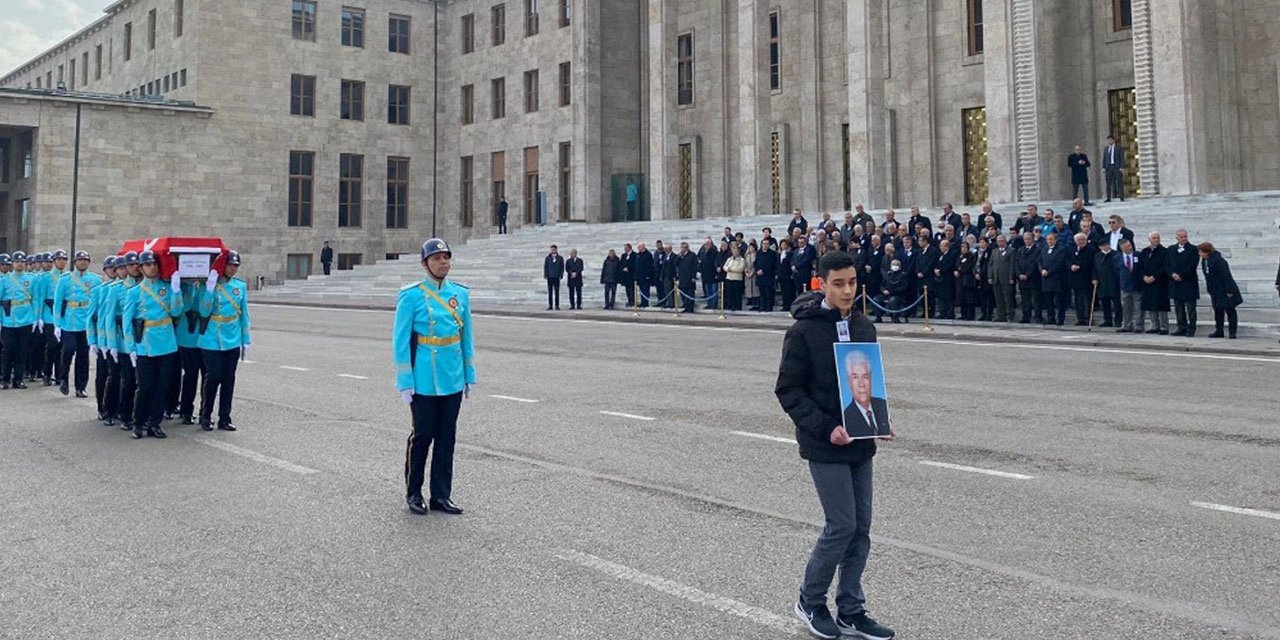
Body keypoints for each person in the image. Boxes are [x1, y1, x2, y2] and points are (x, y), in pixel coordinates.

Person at [775, 250, 895, 640]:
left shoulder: (864, 326)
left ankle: (851, 609)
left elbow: (868, 381)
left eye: (853, 283)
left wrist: (879, 421)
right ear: (822, 284)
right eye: (839, 283)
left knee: (861, 528)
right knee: (840, 525)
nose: (848, 291)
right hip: (825, 442)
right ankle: (810, 600)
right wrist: (826, 427)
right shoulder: (804, 331)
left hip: (860, 442)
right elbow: (788, 390)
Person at [393, 238, 475, 516]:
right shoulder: (412, 295)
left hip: (452, 376)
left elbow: (467, 337)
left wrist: (469, 374)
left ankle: (441, 494)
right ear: (425, 263)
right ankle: (414, 492)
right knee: (422, 436)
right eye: (437, 258)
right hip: (424, 378)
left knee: (447, 437)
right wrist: (405, 380)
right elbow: (400, 341)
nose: (443, 262)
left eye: (446, 257)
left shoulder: (460, 294)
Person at [121, 251, 183, 439]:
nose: (152, 267)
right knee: (145, 385)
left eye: (155, 264)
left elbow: (176, 311)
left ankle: (155, 423)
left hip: (166, 343)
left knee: (162, 385)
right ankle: (139, 423)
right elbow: (127, 321)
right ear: (141, 268)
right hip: (145, 344)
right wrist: (130, 346)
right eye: (148, 264)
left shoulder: (167, 287)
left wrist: (176, 290)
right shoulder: (134, 292)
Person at [195, 251, 250, 430]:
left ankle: (224, 417)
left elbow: (243, 314)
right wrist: (209, 290)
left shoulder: (239, 286)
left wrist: (245, 339)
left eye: (236, 266)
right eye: (230, 265)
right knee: (213, 377)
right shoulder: (207, 285)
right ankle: (205, 414)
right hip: (211, 338)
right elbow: (203, 311)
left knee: (229, 379)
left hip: (232, 338)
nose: (233, 269)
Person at [53, 250, 102, 398]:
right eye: (80, 260)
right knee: (68, 350)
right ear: (75, 262)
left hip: (86, 322)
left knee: (83, 356)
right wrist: (57, 324)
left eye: (85, 260)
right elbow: (57, 303)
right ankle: (63, 378)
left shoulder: (95, 279)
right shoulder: (65, 279)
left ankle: (81, 386)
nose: (83, 262)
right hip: (69, 321)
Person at [112, 252, 143, 430]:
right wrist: (107, 343)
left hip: (145, 341)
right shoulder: (116, 288)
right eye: (128, 266)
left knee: (143, 382)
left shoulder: (146, 286)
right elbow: (108, 318)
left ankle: (139, 414)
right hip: (124, 341)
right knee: (129, 380)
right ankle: (125, 415)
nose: (133, 268)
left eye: (137, 265)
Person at [170, 272, 204, 422]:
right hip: (186, 337)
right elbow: (176, 310)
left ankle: (205, 411)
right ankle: (185, 410)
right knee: (190, 375)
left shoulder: (207, 286)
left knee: (208, 377)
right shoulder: (182, 286)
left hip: (206, 337)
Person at [0, 251, 37, 389]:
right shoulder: (4, 280)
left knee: (22, 351)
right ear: (13, 264)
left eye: (22, 261)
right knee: (8, 350)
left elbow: (35, 299)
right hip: (9, 319)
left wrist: (35, 318)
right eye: (17, 261)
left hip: (26, 319)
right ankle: (5, 378)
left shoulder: (32, 279)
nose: (20, 263)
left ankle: (18, 379)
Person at [92, 256, 120, 422]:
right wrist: (94, 340)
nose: (114, 271)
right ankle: (102, 407)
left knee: (117, 375)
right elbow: (93, 318)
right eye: (111, 268)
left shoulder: (119, 288)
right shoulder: (99, 289)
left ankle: (114, 407)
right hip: (103, 337)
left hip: (117, 338)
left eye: (116, 268)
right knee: (103, 374)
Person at [1198, 242, 1241, 339]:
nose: (1199, 254)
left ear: (1207, 252)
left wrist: (1229, 290)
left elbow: (1226, 276)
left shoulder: (1219, 261)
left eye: (1201, 252)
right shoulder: (1204, 261)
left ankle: (1232, 331)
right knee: (1218, 310)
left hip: (1224, 289)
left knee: (1230, 310)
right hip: (1215, 290)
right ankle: (1219, 330)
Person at [1167, 229, 1200, 337]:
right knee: (1178, 307)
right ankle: (1181, 327)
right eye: (1181, 237)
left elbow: (1192, 265)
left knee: (1190, 308)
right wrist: (1173, 274)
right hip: (1175, 283)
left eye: (1185, 236)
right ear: (1176, 237)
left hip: (1188, 282)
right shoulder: (1171, 249)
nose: (1183, 238)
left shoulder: (1193, 249)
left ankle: (1191, 328)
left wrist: (1181, 275)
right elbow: (1166, 264)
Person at [1139, 232, 1170, 334]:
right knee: (1150, 304)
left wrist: (1154, 277)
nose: (1156, 240)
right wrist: (1144, 276)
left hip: (1160, 282)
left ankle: (1164, 326)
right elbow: (1140, 266)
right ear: (1150, 239)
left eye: (1158, 238)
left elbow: (1165, 266)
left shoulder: (1165, 251)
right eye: (1154, 238)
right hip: (1147, 282)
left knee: (1161, 305)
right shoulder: (1144, 252)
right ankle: (1154, 325)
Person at [1038, 232, 1069, 326]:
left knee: (1059, 302)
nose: (1049, 241)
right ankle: (1051, 318)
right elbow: (1039, 261)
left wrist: (1049, 271)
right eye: (1047, 239)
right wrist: (1042, 270)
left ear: (1055, 240)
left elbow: (1059, 262)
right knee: (1048, 301)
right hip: (1046, 279)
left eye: (1051, 239)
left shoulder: (1061, 249)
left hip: (1057, 279)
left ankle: (1060, 319)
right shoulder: (1044, 249)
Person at [1116, 239, 1144, 333]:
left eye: (1130, 245)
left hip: (1137, 285)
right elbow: (1116, 271)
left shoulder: (1138, 255)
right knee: (1126, 307)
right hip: (1125, 286)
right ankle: (1127, 325)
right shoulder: (1117, 258)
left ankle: (1138, 326)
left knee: (1138, 307)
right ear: (1122, 248)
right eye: (1127, 246)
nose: (1130, 247)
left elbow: (1142, 268)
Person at [1068, 233, 1097, 326]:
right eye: (1079, 240)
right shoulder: (1072, 249)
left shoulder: (1091, 250)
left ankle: (1088, 318)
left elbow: (1091, 263)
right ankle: (1080, 319)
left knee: (1086, 300)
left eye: (1082, 240)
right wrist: (1071, 266)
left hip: (1086, 278)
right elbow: (1067, 260)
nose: (1081, 242)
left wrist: (1080, 266)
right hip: (1075, 279)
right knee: (1078, 300)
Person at [1092, 240, 1122, 328]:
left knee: (1117, 304)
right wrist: (1094, 278)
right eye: (1103, 246)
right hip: (1102, 282)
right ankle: (1107, 320)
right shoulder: (1097, 256)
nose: (1105, 247)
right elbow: (1094, 269)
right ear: (1100, 247)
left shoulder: (1116, 254)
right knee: (1105, 303)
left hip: (1114, 282)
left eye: (1106, 245)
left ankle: (1118, 320)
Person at [1016, 232, 1043, 324]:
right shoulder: (1020, 250)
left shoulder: (1038, 249)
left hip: (1033, 279)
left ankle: (1038, 317)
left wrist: (1027, 274)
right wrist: (1019, 274)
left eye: (1029, 239)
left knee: (1036, 300)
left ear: (1033, 239)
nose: (1027, 241)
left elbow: (1035, 264)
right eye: (1025, 239)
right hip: (1022, 280)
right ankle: (1026, 317)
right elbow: (1017, 263)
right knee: (1025, 300)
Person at [990, 234, 1017, 323]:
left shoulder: (1011, 251)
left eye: (1002, 241)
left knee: (1008, 298)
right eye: (998, 241)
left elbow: (1012, 265)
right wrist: (990, 276)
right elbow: (991, 265)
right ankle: (1001, 315)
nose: (1000, 243)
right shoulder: (994, 251)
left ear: (1005, 241)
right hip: (996, 278)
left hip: (1006, 278)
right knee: (998, 298)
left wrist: (1011, 277)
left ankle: (1010, 315)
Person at [955, 241, 978, 321]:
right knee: (962, 298)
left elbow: (969, 267)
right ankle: (963, 314)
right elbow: (956, 265)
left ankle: (970, 315)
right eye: (962, 247)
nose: (963, 249)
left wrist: (960, 271)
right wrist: (956, 270)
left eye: (965, 247)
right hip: (960, 280)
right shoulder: (959, 256)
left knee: (969, 299)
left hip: (968, 280)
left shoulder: (971, 256)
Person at [675, 242, 698, 313]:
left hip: (690, 277)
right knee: (683, 293)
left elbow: (695, 266)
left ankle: (690, 308)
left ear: (687, 248)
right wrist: (679, 256)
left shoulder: (692, 255)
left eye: (684, 247)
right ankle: (686, 306)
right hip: (682, 278)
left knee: (690, 293)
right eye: (681, 247)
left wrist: (694, 276)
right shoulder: (680, 256)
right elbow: (674, 263)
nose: (683, 249)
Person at [756, 240, 779, 312]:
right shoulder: (759, 253)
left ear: (769, 245)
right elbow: (756, 262)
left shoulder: (772, 253)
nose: (765, 245)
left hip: (768, 275)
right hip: (760, 275)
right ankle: (763, 306)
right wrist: (757, 270)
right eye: (764, 244)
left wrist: (763, 270)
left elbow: (771, 264)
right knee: (762, 292)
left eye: (766, 244)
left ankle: (769, 307)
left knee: (769, 292)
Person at [697, 238, 719, 310]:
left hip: (712, 274)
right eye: (705, 244)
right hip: (705, 275)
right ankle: (709, 303)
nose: (706, 246)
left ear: (710, 244)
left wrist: (716, 273)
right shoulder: (703, 252)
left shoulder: (715, 252)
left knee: (713, 290)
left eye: (707, 244)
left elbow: (716, 263)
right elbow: (701, 262)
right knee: (708, 291)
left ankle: (714, 304)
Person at [723, 243, 746, 311]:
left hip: (737, 279)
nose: (735, 253)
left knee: (737, 294)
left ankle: (738, 306)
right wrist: (727, 269)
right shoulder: (729, 259)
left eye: (736, 251)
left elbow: (740, 268)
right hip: (729, 278)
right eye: (733, 251)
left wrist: (731, 269)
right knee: (730, 293)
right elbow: (725, 266)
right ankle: (731, 306)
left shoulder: (742, 260)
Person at [1102, 135, 1125, 202]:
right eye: (1108, 140)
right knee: (1108, 183)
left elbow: (1121, 158)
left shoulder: (1118, 148)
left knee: (1119, 182)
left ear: (1114, 140)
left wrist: (1121, 167)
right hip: (1108, 167)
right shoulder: (1106, 149)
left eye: (1111, 140)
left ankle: (1121, 196)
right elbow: (1104, 158)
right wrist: (1103, 167)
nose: (1109, 141)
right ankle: (1108, 197)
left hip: (1116, 167)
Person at [632, 242, 655, 308]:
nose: (638, 248)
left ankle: (645, 302)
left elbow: (649, 266)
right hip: (639, 276)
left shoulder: (648, 254)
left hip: (645, 276)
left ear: (643, 247)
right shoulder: (638, 255)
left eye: (639, 247)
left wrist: (648, 275)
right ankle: (642, 302)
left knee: (645, 290)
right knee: (641, 290)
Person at [543, 245, 564, 310]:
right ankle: (550, 305)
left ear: (556, 250)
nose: (552, 251)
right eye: (551, 249)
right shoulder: (548, 258)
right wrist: (546, 275)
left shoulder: (560, 258)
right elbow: (545, 267)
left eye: (553, 249)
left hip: (556, 277)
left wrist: (561, 275)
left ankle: (557, 305)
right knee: (550, 292)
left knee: (557, 292)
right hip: (550, 277)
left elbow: (562, 267)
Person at [778, 239, 795, 311]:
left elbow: (790, 263)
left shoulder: (790, 253)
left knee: (789, 291)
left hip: (787, 274)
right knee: (783, 291)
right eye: (782, 244)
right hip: (781, 274)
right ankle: (785, 305)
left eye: (785, 244)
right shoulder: (779, 253)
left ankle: (789, 305)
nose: (783, 246)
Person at [620, 243, 635, 307]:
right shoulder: (623, 255)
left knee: (631, 290)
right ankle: (629, 301)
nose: (625, 249)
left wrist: (628, 268)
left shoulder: (634, 255)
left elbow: (634, 264)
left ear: (629, 248)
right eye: (624, 248)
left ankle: (632, 302)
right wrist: (623, 268)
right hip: (625, 276)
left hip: (631, 275)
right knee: (627, 290)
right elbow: (621, 264)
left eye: (626, 248)